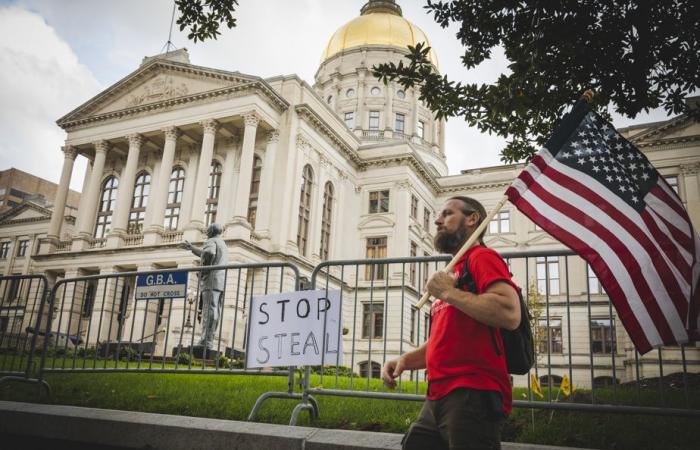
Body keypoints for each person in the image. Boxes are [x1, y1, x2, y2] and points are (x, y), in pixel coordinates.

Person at [382, 196, 521, 450]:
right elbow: (444, 341)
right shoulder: (454, 270)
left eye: (447, 214)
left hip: (472, 394)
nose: (437, 220)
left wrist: (447, 294)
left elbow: (510, 312)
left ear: (472, 219)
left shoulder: (482, 258)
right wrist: (405, 360)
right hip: (437, 396)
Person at [181, 223, 228, 349]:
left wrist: (203, 271)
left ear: (211, 231)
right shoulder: (222, 243)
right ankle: (209, 340)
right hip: (220, 281)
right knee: (215, 310)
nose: (206, 232)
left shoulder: (210, 241)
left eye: (207, 230)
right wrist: (192, 248)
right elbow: (207, 253)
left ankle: (205, 341)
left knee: (208, 310)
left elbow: (209, 253)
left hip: (211, 279)